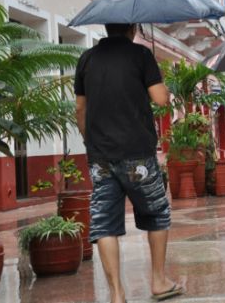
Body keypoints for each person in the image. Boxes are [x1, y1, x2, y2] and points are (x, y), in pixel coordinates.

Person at [74, 23, 183, 303]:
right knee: (157, 214)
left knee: (105, 224)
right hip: (138, 154)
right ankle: (158, 281)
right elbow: (160, 98)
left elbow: (80, 109)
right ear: (133, 27)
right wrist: (164, 84)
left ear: (107, 28)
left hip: (101, 157)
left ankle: (117, 295)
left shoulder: (87, 59)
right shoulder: (141, 55)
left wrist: (91, 142)